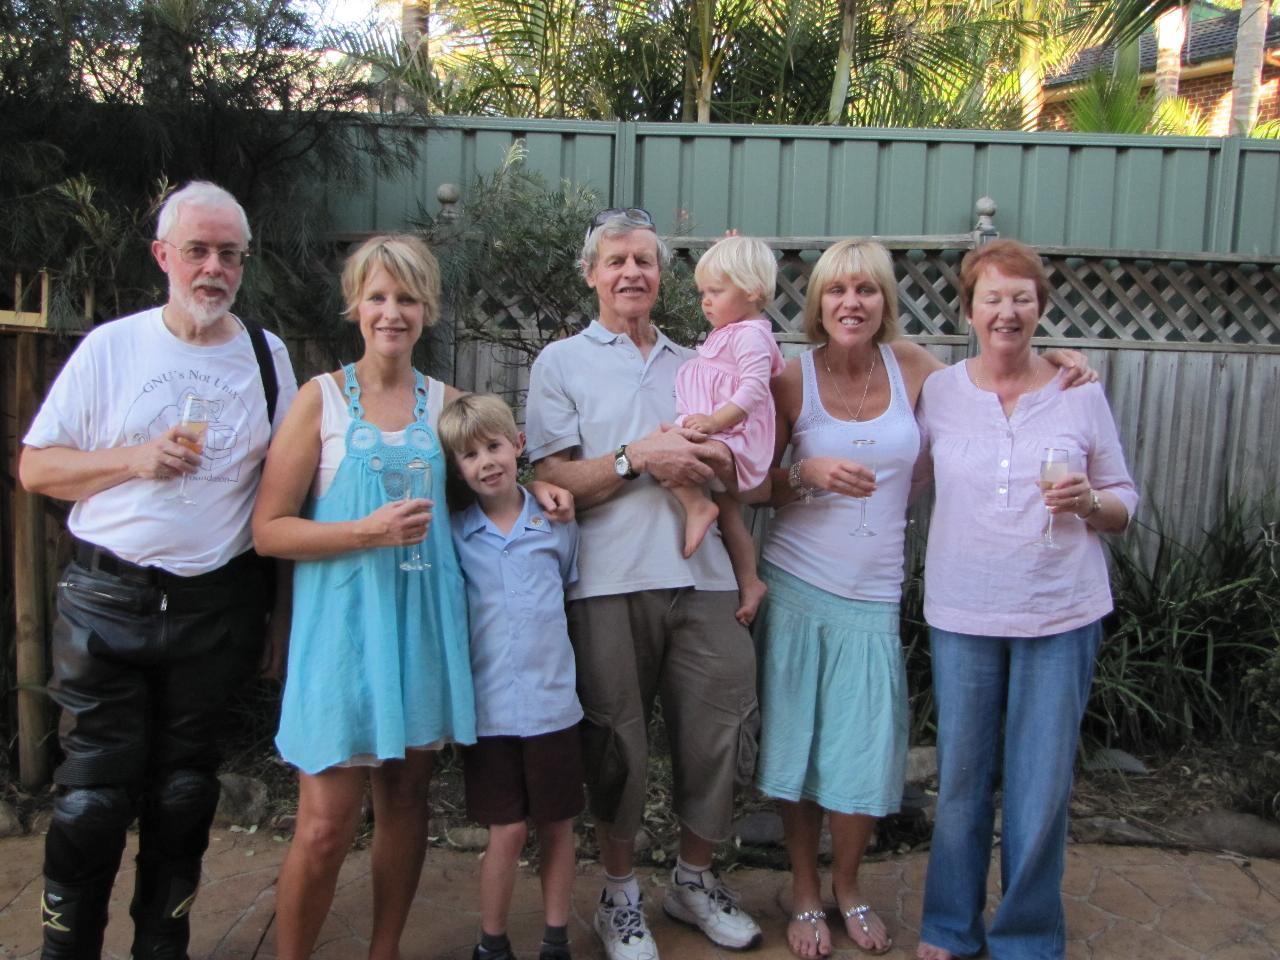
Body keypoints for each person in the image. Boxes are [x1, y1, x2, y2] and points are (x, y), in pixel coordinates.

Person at [755, 240, 1097, 960]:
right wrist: (806, 470)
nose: (853, 302)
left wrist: (1061, 359)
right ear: (817, 302)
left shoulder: (915, 370)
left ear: (886, 302)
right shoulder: (790, 380)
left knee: (862, 751)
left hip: (876, 591)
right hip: (799, 582)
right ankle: (806, 890)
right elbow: (751, 483)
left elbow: (993, 382)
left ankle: (849, 888)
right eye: (838, 290)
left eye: (868, 290)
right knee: (798, 747)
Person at [251, 234, 570, 960]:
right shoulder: (320, 400)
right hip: (342, 639)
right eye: (377, 297)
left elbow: (498, 483)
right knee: (326, 824)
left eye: (407, 298)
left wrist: (541, 488)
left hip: (422, 632)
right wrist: (364, 532)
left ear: (428, 309)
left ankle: (384, 951)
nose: (391, 312)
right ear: (355, 307)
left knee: (405, 806)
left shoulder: (448, 407)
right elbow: (269, 531)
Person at [19, 180, 299, 960]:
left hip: (216, 607)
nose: (213, 268)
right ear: (163, 256)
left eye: (229, 254)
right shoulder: (113, 347)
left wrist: (279, 617)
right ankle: (65, 950)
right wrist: (134, 460)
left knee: (185, 795)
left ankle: (160, 949)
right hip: (109, 599)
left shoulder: (266, 358)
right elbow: (37, 470)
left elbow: (282, 493)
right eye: (198, 251)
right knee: (92, 801)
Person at [526, 207, 763, 960]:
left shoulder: (700, 361)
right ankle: (621, 893)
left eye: (645, 261)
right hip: (605, 580)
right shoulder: (560, 362)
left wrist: (718, 465)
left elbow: (738, 460)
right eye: (617, 260)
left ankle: (693, 880)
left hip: (705, 579)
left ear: (663, 276)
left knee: (721, 726)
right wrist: (638, 458)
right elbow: (551, 474)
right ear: (592, 273)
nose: (632, 273)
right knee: (616, 742)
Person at [913, 239, 1138, 960]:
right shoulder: (940, 392)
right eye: (992, 298)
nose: (1007, 312)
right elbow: (901, 469)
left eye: (1021, 298)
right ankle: (951, 927)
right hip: (963, 611)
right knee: (961, 786)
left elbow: (1126, 499)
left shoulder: (1078, 390)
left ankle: (1027, 937)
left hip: (1060, 611)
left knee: (1040, 793)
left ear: (1040, 307)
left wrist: (1093, 501)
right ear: (969, 309)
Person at [438, 392, 584, 960]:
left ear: (517, 446)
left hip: (553, 706)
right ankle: (491, 943)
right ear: (458, 469)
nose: (486, 461)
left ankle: (555, 939)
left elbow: (569, 589)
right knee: (508, 829)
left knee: (557, 823)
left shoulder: (555, 523)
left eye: (494, 446)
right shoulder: (454, 535)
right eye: (470, 455)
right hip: (490, 711)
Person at [672, 234, 784, 625]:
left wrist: (715, 422)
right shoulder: (732, 330)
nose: (706, 300)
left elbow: (754, 389)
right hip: (723, 430)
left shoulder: (751, 334)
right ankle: (750, 582)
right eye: (704, 291)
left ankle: (697, 504)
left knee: (668, 450)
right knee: (732, 516)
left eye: (716, 291)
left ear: (753, 291)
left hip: (735, 435)